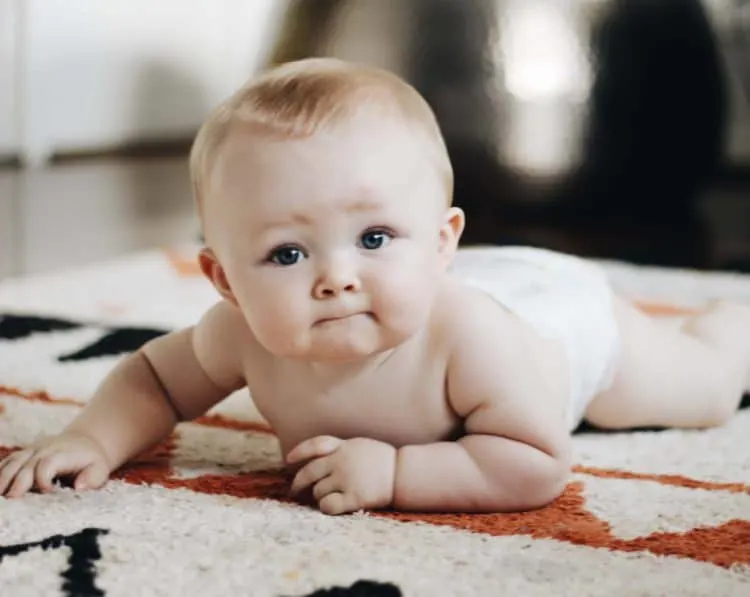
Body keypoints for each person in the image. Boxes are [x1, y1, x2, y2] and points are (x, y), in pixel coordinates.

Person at [1, 58, 748, 514]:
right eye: (287, 254)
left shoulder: (470, 336)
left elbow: (535, 461)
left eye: (374, 239)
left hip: (567, 326)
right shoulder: (237, 333)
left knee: (706, 388)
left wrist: (397, 471)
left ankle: (732, 322)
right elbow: (152, 380)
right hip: (468, 280)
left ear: (441, 243)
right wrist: (90, 437)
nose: (337, 278)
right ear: (224, 279)